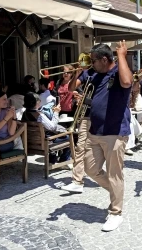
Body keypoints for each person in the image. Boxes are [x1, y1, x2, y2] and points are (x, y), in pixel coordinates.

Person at [83, 42, 133, 231]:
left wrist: (121, 55)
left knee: (114, 174)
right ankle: (116, 191)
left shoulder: (119, 73)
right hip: (96, 131)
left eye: (94, 60)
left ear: (105, 59)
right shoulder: (98, 76)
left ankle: (115, 213)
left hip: (114, 132)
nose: (91, 64)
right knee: (90, 169)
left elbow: (127, 82)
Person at [62, 53, 94, 194]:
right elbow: (70, 88)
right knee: (80, 147)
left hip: (101, 117)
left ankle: (100, 173)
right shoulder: (84, 74)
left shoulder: (105, 75)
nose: (84, 62)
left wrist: (85, 100)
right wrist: (76, 73)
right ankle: (77, 181)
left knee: (98, 149)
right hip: (86, 116)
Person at [22, 92, 70, 164]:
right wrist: (56, 112)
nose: (40, 102)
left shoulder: (24, 113)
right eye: (39, 100)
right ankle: (64, 161)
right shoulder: (39, 115)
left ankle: (52, 159)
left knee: (50, 135)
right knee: (68, 137)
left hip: (29, 143)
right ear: (36, 102)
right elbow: (52, 127)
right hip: (44, 143)